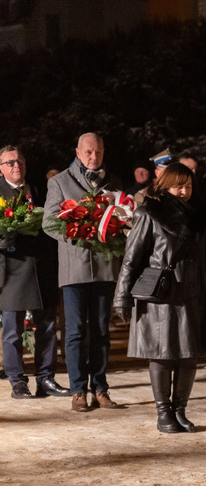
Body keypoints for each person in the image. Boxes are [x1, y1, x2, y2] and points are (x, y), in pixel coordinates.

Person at [113, 163, 206, 433]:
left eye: (189, 185)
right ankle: (163, 413)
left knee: (188, 355)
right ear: (165, 186)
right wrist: (122, 296)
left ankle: (180, 410)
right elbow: (131, 258)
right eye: (178, 186)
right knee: (162, 354)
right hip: (162, 294)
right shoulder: (150, 212)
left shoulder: (200, 216)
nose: (184, 191)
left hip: (195, 291)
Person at [42, 133, 123, 412]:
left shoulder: (114, 182)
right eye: (89, 152)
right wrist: (78, 234)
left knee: (101, 330)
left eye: (98, 152)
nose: (94, 157)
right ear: (77, 151)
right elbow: (49, 223)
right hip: (74, 269)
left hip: (104, 268)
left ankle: (100, 387)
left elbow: (123, 218)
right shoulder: (60, 181)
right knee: (75, 331)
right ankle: (78, 390)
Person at [0, 145, 69, 399]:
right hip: (11, 270)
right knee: (12, 330)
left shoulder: (40, 189)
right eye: (9, 162)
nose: (16, 165)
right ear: (0, 169)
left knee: (48, 325)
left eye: (20, 161)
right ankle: (17, 381)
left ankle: (46, 379)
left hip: (42, 269)